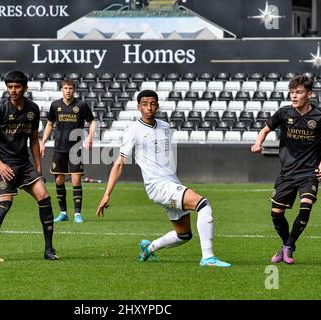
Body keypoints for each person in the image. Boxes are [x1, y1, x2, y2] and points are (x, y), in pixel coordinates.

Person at [96, 89, 231, 267]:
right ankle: (208, 257)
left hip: (171, 183)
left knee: (184, 235)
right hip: (157, 186)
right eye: (144, 104)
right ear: (139, 107)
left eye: (152, 104)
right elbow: (119, 163)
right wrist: (107, 194)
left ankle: (149, 249)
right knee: (203, 204)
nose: (149, 108)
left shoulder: (165, 127)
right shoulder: (133, 130)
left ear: (157, 105)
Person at [251, 75, 321, 264]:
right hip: (287, 172)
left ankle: (288, 247)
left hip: (309, 173)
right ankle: (288, 245)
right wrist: (257, 142)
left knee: (306, 207)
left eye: (299, 92)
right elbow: (265, 130)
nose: (294, 96)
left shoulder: (320, 117)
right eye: (292, 92)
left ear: (309, 94)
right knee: (276, 214)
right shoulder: (284, 113)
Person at [0, 70, 58, 262]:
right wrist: (0, 165)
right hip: (4, 165)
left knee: (44, 197)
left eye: (17, 87)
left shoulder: (33, 109)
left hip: (24, 164)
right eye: (10, 87)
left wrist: (38, 168)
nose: (13, 90)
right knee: (5, 203)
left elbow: (33, 140)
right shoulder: (0, 109)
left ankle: (49, 250)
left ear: (25, 88)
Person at [40, 79, 96, 224]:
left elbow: (93, 121)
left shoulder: (81, 105)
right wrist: (43, 142)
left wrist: (90, 136)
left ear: (74, 90)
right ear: (61, 89)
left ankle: (77, 213)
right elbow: (50, 124)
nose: (68, 90)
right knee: (59, 180)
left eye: (70, 88)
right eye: (65, 88)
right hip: (59, 148)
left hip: (75, 149)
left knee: (76, 179)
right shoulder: (55, 105)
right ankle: (63, 212)